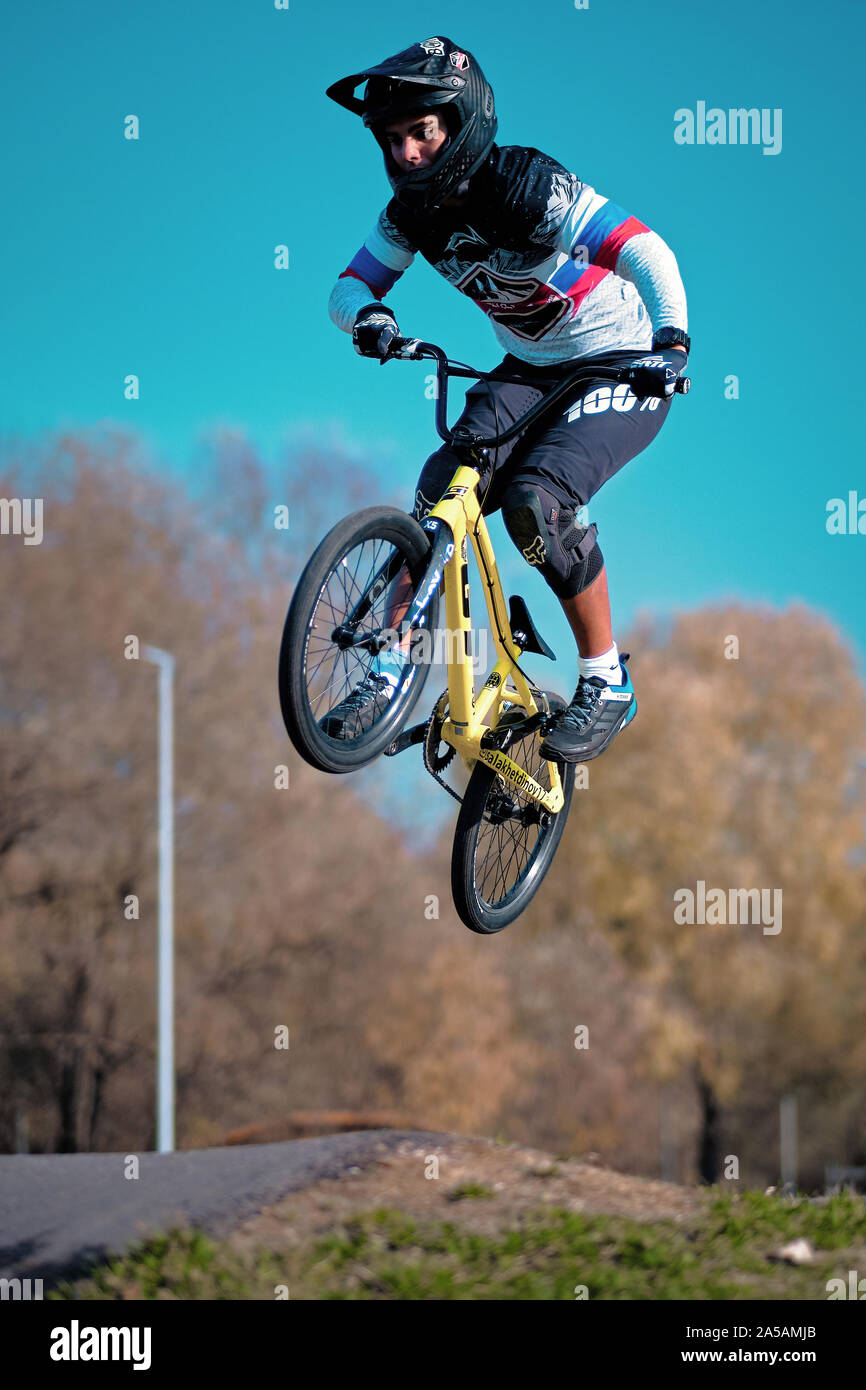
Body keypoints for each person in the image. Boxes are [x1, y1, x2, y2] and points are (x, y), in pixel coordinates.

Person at [322, 36, 689, 762]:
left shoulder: (529, 186)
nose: (406, 156)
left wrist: (672, 344)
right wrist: (369, 317)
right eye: (392, 141)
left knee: (534, 505)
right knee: (439, 497)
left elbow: (648, 250)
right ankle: (390, 665)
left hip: (620, 366)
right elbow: (347, 286)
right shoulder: (409, 217)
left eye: (420, 133)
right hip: (527, 367)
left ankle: (605, 680)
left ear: (461, 122)